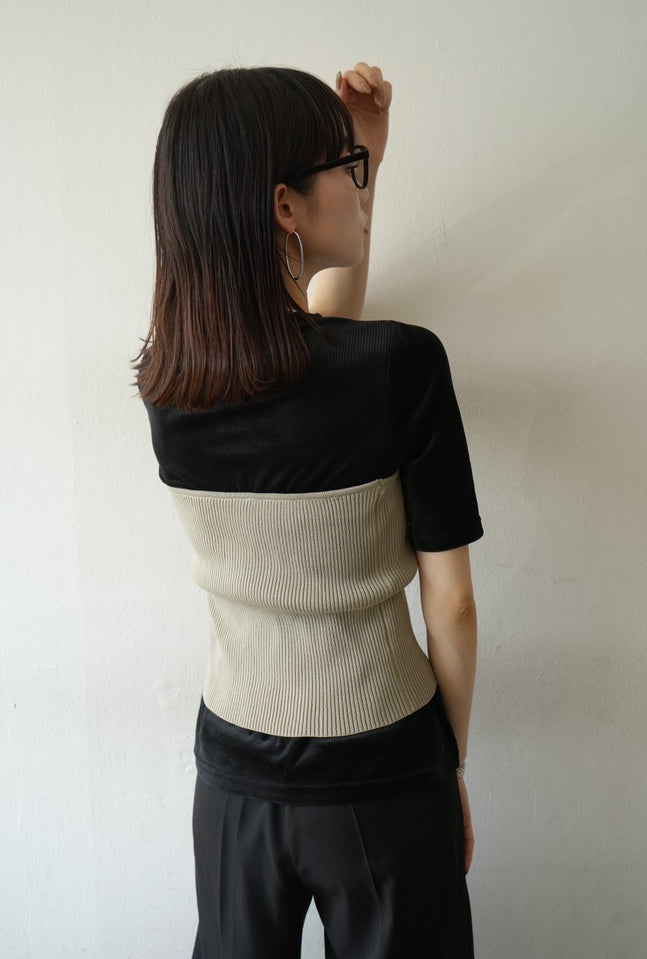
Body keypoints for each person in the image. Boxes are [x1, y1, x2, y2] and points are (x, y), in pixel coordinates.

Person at [136, 61, 482, 959]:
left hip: (234, 777)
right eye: (346, 170)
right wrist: (447, 763)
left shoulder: (171, 386)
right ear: (284, 206)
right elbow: (452, 604)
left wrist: (369, 156)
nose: (358, 189)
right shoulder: (403, 366)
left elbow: (317, 346)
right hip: (385, 768)